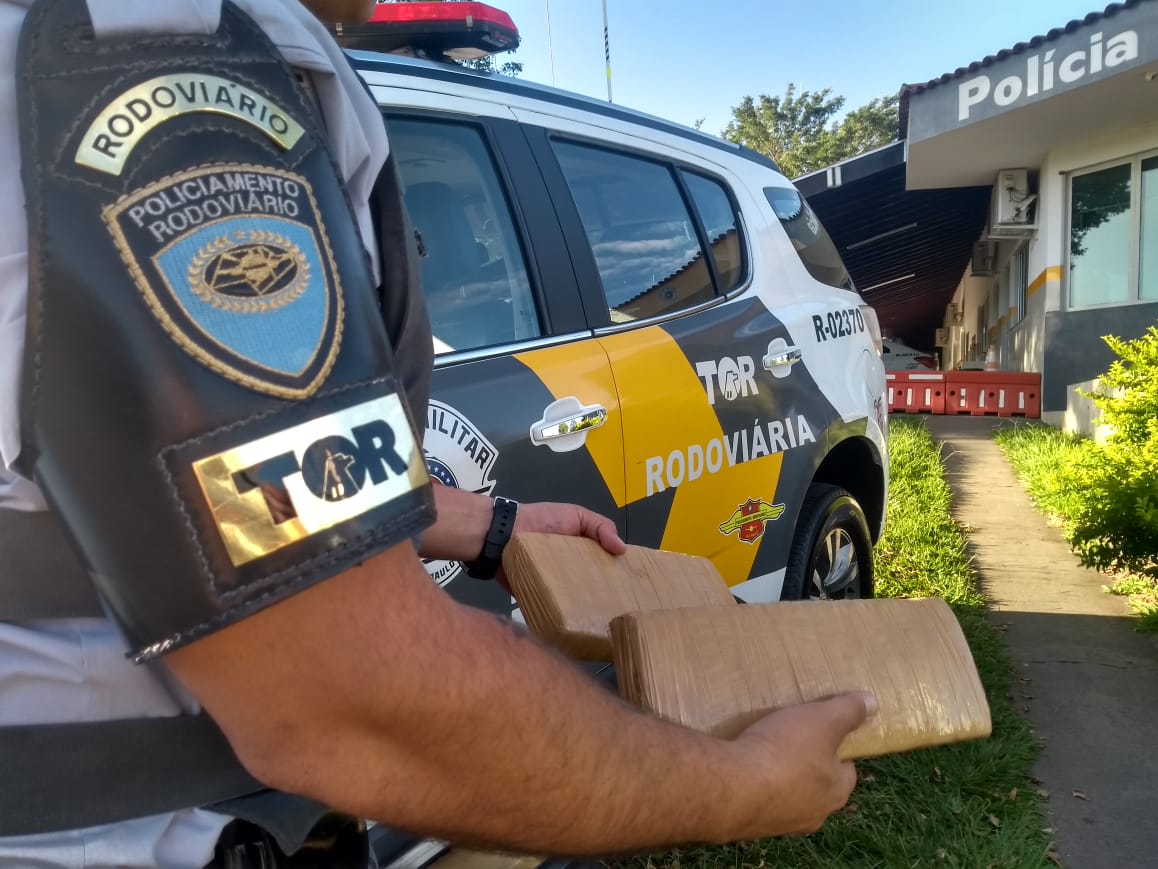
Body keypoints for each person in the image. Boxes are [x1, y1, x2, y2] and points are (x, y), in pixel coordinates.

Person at [0, 0, 874, 866]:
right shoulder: (161, 69)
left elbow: (206, 486)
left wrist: (482, 523)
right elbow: (347, 686)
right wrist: (742, 784)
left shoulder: (163, 52)